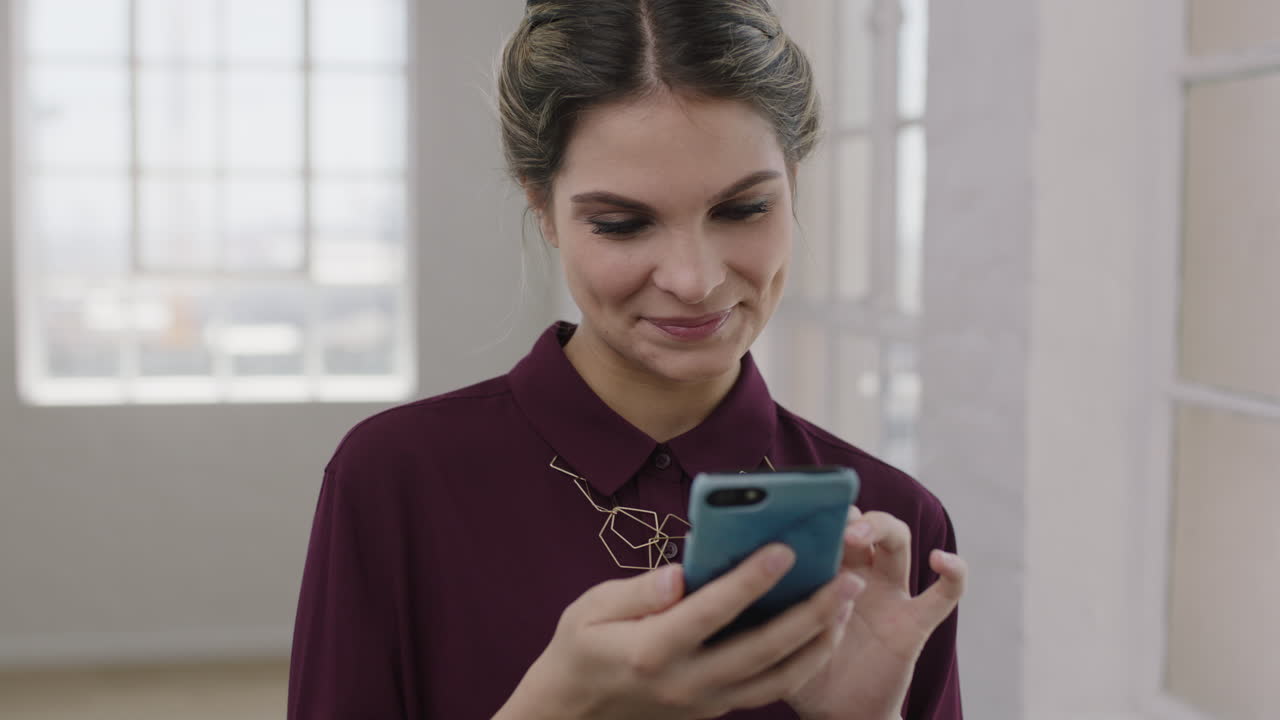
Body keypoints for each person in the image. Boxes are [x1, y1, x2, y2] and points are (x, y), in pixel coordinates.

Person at [287, 1, 967, 718]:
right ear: (542, 207)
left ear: (792, 183)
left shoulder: (892, 527)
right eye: (623, 224)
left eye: (743, 210)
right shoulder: (397, 481)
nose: (693, 279)